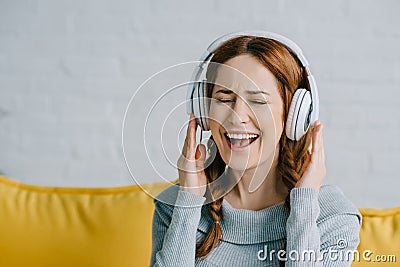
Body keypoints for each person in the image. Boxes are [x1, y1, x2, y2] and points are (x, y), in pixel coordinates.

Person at [150, 33, 362, 266]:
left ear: (294, 116)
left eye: (258, 101)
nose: (237, 117)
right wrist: (188, 201)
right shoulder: (175, 206)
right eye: (224, 99)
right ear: (204, 111)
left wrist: (304, 207)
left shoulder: (333, 217)